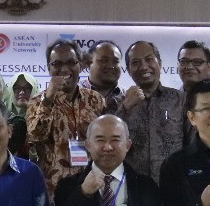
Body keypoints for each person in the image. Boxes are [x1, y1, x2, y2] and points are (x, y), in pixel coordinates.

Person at [27, 39, 106, 197]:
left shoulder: (96, 100)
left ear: (80, 65)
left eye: (71, 62)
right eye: (57, 64)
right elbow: (35, 136)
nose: (64, 69)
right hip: (53, 190)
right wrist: (48, 100)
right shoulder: (37, 102)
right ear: (49, 68)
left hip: (91, 186)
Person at [118, 40, 185, 185]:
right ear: (128, 70)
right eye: (136, 62)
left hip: (175, 184)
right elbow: (109, 142)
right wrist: (125, 108)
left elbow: (193, 145)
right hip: (133, 187)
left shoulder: (180, 100)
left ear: (159, 64)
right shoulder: (118, 102)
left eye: (149, 59)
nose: (143, 66)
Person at [85, 40, 125, 113]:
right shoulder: (74, 95)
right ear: (89, 63)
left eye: (115, 61)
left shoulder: (128, 99)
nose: (110, 66)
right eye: (104, 61)